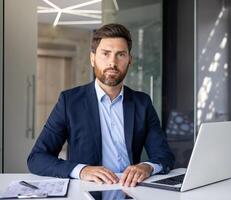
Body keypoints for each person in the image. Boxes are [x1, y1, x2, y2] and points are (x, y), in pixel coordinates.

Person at [27, 23, 174, 187]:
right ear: (92, 58)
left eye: (120, 54)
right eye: (106, 54)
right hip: (86, 189)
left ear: (129, 60)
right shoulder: (70, 102)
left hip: (132, 189)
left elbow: (164, 155)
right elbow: (37, 158)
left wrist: (147, 167)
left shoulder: (142, 103)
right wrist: (82, 170)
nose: (113, 62)